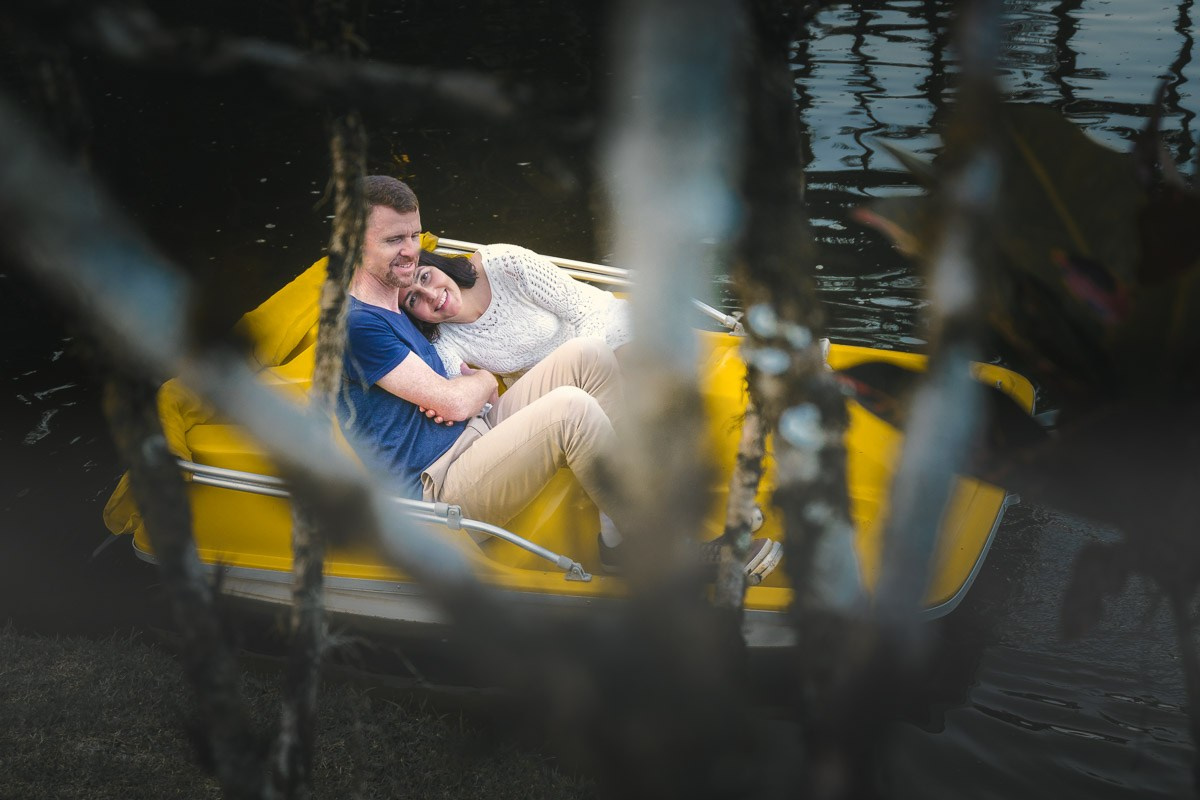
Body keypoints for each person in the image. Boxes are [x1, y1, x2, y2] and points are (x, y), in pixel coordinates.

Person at [339, 174, 781, 580]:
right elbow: (454, 401)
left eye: (415, 235)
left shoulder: (397, 297)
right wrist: (480, 386)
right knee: (570, 410)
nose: (410, 250)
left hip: (477, 431)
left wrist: (466, 392)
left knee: (588, 354)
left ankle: (622, 539)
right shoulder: (357, 325)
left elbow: (454, 395)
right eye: (393, 239)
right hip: (436, 489)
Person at [403, 246, 631, 383]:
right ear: (412, 315)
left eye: (424, 277)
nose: (430, 295)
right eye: (413, 299)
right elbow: (469, 393)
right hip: (553, 391)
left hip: (605, 331)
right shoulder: (438, 341)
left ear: (436, 265)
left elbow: (586, 313)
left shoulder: (506, 264)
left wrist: (590, 375)